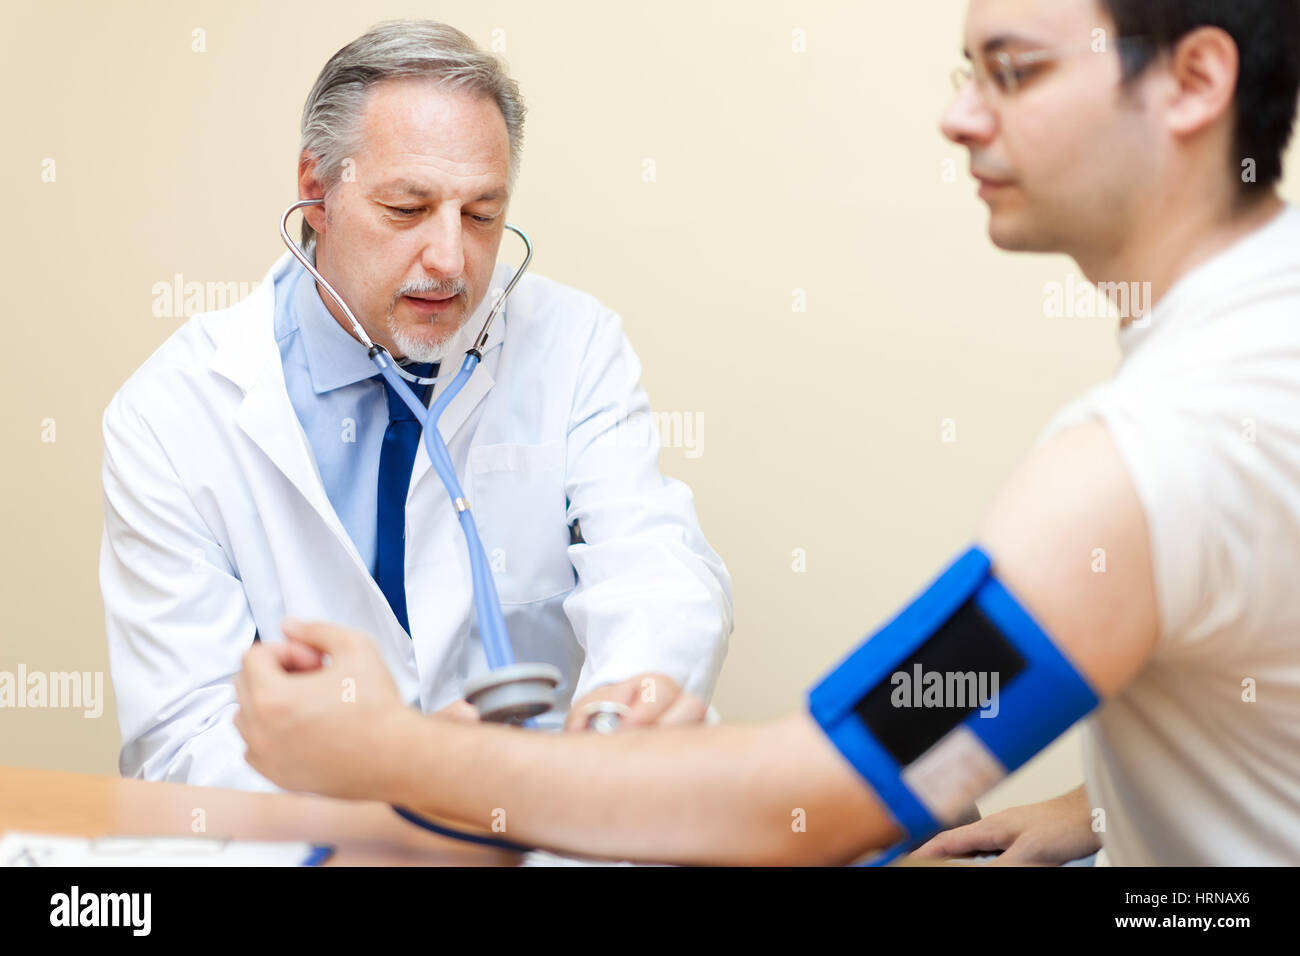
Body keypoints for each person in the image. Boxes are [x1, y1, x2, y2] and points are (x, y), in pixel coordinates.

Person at [234, 0, 1300, 864]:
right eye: (964, 75)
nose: (960, 119)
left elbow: (816, 796)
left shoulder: (1149, 455)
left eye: (1013, 71)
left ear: (1195, 82)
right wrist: (1098, 805)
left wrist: (387, 749)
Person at [101, 19, 733, 792]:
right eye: (406, 209)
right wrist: (405, 770)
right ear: (316, 193)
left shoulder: (575, 347)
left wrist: (623, 714)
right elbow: (181, 742)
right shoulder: (171, 415)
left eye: (481, 214)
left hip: (542, 825)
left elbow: (657, 575)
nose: (450, 259)